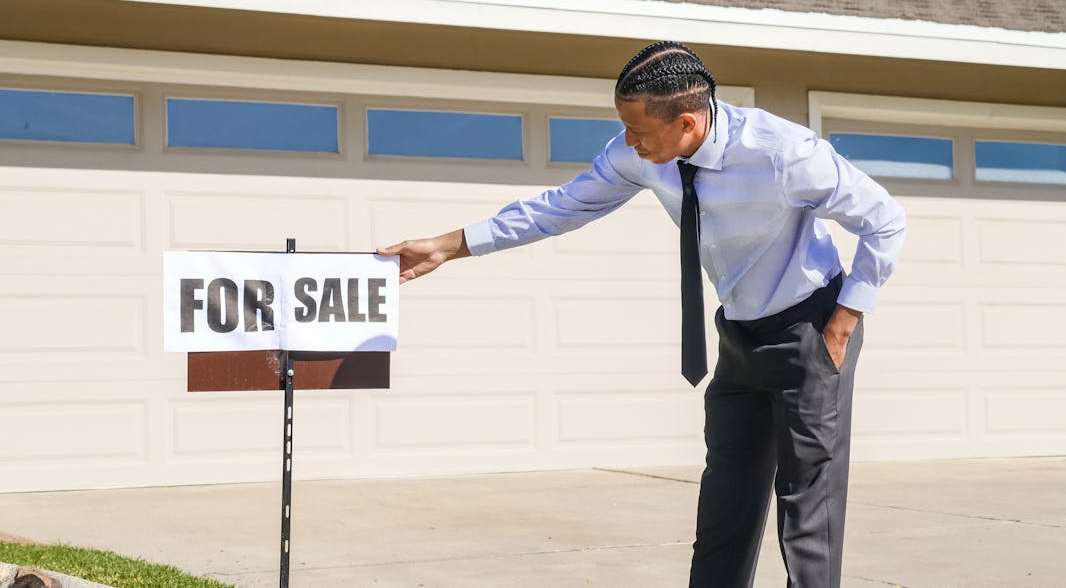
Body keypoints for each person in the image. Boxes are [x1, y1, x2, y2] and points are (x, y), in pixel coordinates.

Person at [378, 41, 905, 588]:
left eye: (639, 132)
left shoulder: (782, 152)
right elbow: (563, 205)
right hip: (739, 338)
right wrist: (449, 245)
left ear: (686, 122)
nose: (628, 144)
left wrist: (844, 323)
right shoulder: (642, 151)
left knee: (807, 508)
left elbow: (885, 220)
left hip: (809, 329)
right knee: (726, 499)